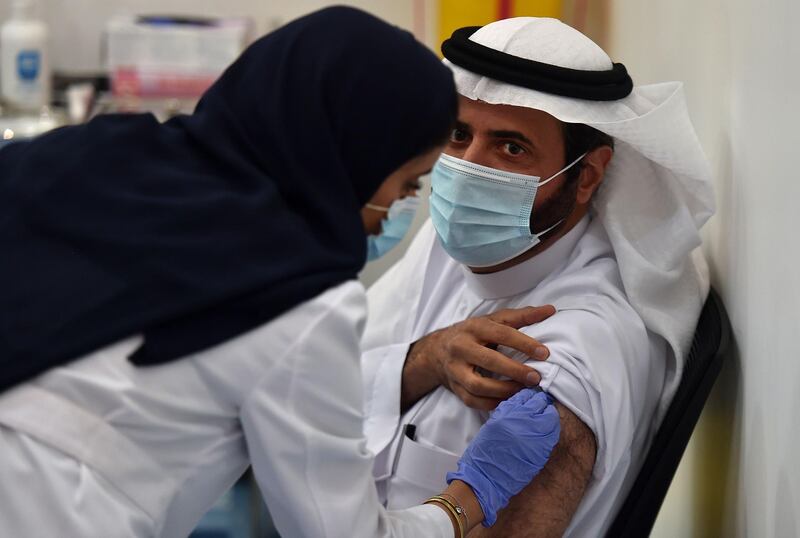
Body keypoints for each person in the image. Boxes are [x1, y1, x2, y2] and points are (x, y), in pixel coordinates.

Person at [0, 7, 562, 537]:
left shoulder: (85, 154)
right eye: (408, 183)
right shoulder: (296, 301)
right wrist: (467, 499)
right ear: (352, 158)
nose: (394, 211)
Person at [361, 17, 716, 537]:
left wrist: (462, 506)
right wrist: (429, 357)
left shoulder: (573, 348)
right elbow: (327, 382)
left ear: (587, 175)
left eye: (511, 148)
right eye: (459, 135)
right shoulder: (445, 244)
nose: (467, 168)